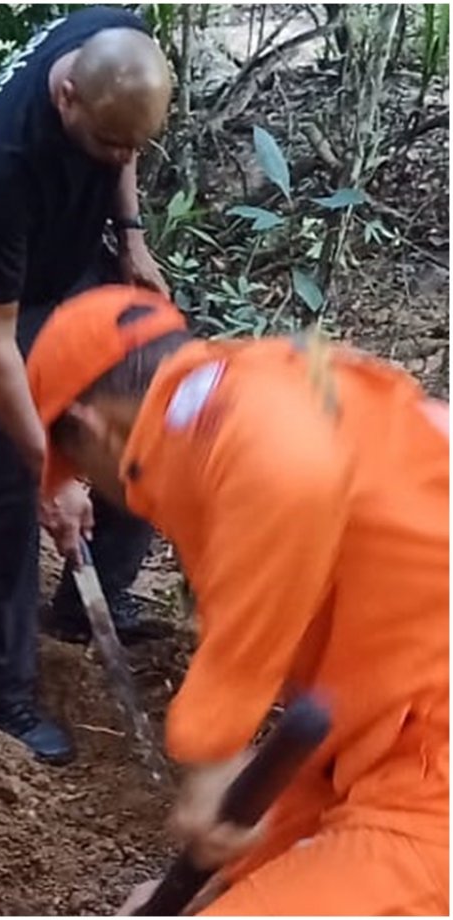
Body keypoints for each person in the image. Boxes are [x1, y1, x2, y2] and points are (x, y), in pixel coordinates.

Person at [26, 285, 448, 915]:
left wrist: (213, 746)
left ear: (95, 427)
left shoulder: (218, 424)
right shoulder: (262, 386)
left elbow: (293, 475)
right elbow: (339, 743)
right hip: (395, 751)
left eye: (82, 467)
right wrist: (225, 878)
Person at [0, 6, 175, 763]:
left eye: (135, 144)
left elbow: (123, 142)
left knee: (145, 400)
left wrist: (131, 236)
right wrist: (52, 474)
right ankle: (6, 700)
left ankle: (91, 601)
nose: (122, 156)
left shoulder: (115, 42)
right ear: (66, 98)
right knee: (2, 478)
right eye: (108, 143)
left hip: (67, 261)